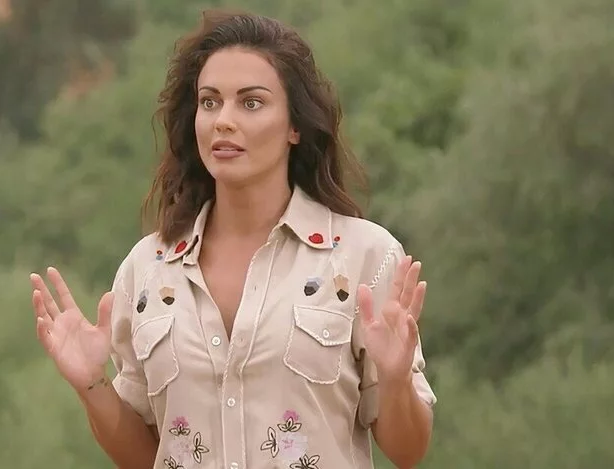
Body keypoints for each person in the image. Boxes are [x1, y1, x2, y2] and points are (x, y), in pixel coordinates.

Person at [29, 9, 437, 469]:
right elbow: (145, 456)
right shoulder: (147, 270)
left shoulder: (364, 258)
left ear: (295, 126)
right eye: (210, 102)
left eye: (251, 103)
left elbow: (408, 452)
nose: (223, 120)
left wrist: (396, 381)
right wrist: (91, 385)